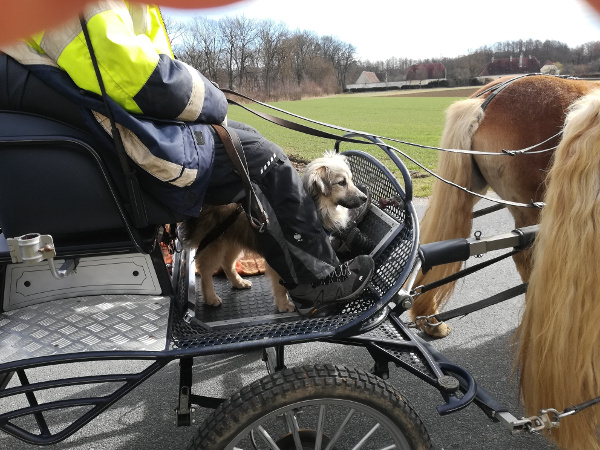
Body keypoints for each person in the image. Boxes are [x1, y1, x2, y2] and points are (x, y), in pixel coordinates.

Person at [0, 1, 374, 317]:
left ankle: (322, 252)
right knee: (268, 162)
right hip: (135, 145)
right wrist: (211, 98)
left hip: (126, 129)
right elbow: (133, 76)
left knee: (253, 140)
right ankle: (314, 282)